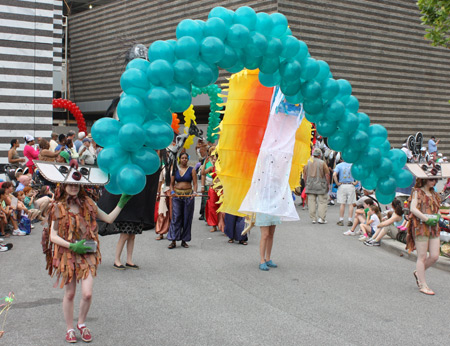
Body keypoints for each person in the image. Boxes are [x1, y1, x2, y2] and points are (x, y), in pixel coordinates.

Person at [43, 182, 132, 343]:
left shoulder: (89, 204)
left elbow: (109, 219)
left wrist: (122, 202)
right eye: (70, 184)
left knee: (87, 293)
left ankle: (81, 324)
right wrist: (71, 245)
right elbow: (53, 236)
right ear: (63, 186)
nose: (73, 187)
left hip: (87, 251)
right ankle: (69, 328)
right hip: (68, 253)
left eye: (76, 184)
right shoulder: (58, 207)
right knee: (70, 293)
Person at [407, 177, 441, 295]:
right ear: (425, 180)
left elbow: (437, 209)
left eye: (436, 180)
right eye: (432, 179)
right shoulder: (417, 191)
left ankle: (418, 273)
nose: (434, 182)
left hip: (434, 227)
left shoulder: (434, 194)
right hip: (421, 226)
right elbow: (413, 208)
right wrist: (426, 219)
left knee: (435, 256)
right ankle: (423, 284)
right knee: (422, 256)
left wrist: (437, 217)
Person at [167, 152, 198, 249]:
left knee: (187, 218)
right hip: (177, 196)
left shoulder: (192, 170)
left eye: (186, 158)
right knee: (176, 217)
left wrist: (195, 192)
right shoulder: (175, 169)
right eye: (182, 158)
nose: (184, 159)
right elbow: (171, 184)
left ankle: (184, 240)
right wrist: (172, 192)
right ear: (180, 159)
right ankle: (173, 240)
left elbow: (195, 183)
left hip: (188, 196)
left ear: (188, 159)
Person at [303, 148, 330, 224]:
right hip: (321, 185)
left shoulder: (307, 162)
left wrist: (306, 184)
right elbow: (327, 174)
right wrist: (328, 184)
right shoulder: (322, 163)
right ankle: (321, 218)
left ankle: (313, 218)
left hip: (310, 185)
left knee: (311, 202)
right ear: (319, 155)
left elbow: (304, 175)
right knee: (322, 202)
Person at [333, 160, 357, 226]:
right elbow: (358, 174)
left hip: (342, 185)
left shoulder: (339, 165)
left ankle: (341, 219)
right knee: (350, 204)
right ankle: (350, 220)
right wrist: (356, 182)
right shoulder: (353, 165)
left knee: (342, 203)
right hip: (351, 185)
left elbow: (334, 174)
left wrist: (337, 183)